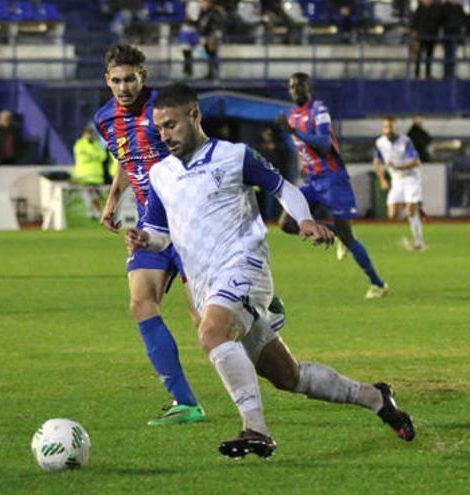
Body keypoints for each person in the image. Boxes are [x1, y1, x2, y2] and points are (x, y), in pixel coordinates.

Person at [126, 83, 416, 458]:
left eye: (171, 125)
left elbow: (283, 188)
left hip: (245, 266)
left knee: (212, 332)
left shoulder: (234, 156)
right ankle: (376, 398)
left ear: (195, 116)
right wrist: (142, 239)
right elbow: (161, 234)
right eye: (159, 127)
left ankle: (255, 431)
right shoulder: (162, 174)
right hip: (206, 283)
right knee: (288, 376)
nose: (164, 135)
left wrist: (306, 220)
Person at [94, 45, 206, 426]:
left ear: (144, 76)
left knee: (204, 320)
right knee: (141, 303)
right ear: (106, 80)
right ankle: (186, 403)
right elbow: (128, 161)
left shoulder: (164, 110)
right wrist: (112, 202)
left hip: (189, 223)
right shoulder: (105, 119)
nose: (124, 87)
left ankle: (258, 302)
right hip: (148, 226)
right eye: (117, 80)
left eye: (131, 79)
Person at [275, 73, 389, 299]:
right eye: (292, 86)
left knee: (349, 237)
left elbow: (325, 143)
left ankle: (378, 284)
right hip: (312, 180)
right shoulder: (292, 115)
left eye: (300, 85)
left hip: (333, 179)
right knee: (286, 223)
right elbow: (304, 148)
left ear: (309, 88)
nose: (296, 89)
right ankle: (332, 232)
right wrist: (304, 165)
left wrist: (294, 132)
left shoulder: (319, 110)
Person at [373, 117, 426, 252]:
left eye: (391, 127)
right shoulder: (380, 143)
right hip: (396, 180)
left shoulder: (405, 141)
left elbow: (415, 162)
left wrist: (398, 166)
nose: (388, 130)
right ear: (382, 129)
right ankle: (412, 206)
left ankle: (419, 242)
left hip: (411, 178)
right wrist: (382, 180)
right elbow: (376, 163)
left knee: (410, 211)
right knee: (392, 214)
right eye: (386, 127)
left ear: (395, 128)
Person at [72, 126, 108, 219]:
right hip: (84, 177)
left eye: (91, 133)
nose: (90, 135)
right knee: (88, 197)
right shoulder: (79, 144)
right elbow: (84, 157)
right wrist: (96, 156)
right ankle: (92, 214)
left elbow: (103, 156)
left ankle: (98, 214)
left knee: (98, 197)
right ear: (83, 134)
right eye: (88, 133)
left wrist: (92, 155)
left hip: (97, 177)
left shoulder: (97, 144)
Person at [410, 0, 441, 79]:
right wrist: (415, 35)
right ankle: (417, 74)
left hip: (431, 36)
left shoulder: (435, 9)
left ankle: (428, 74)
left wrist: (437, 36)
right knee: (419, 56)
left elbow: (437, 23)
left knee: (429, 56)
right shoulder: (419, 9)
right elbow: (414, 23)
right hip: (421, 37)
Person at [440, 0, 466, 79]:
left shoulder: (459, 7)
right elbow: (441, 20)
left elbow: (463, 20)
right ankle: (446, 74)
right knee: (447, 54)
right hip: (447, 34)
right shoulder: (444, 7)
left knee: (454, 55)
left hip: (456, 35)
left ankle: (452, 74)